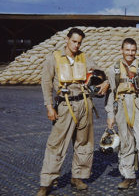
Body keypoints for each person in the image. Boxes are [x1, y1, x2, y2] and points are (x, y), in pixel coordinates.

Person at [37, 28, 109, 196]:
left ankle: (78, 177)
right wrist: (49, 107)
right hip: (65, 105)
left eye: (79, 42)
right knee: (56, 144)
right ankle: (46, 182)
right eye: (74, 41)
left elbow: (101, 74)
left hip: (84, 104)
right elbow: (46, 83)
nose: (76, 45)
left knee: (84, 143)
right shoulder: (53, 58)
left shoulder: (85, 58)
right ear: (67, 39)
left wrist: (105, 83)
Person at [105, 38, 139, 196]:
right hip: (121, 109)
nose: (130, 53)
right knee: (125, 143)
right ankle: (128, 176)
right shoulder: (114, 69)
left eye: (133, 50)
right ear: (121, 50)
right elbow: (111, 94)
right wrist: (110, 114)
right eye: (127, 50)